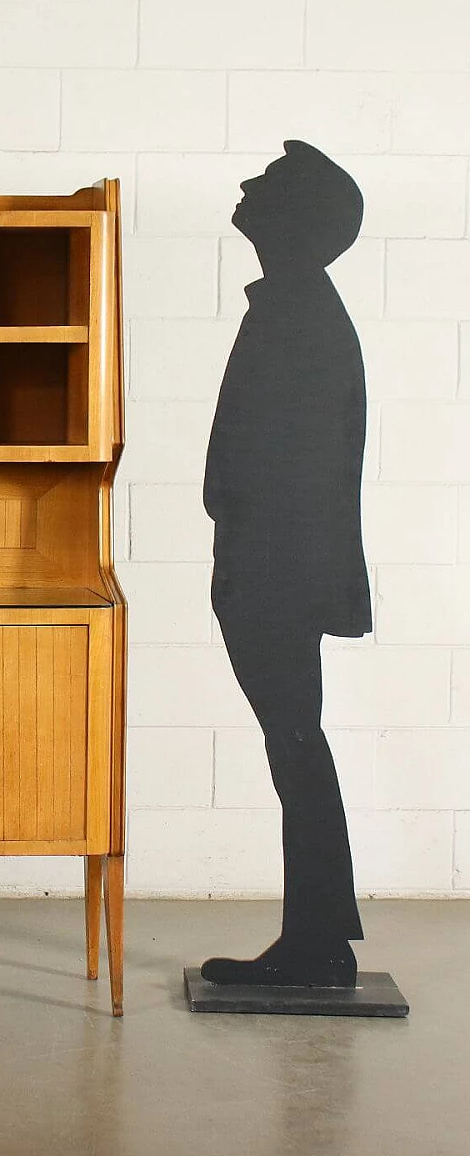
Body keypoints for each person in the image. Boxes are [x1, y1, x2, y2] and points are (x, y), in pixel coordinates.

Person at [201, 140, 370, 987]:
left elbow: (296, 470)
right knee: (296, 743)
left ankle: (318, 943)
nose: (245, 187)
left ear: (294, 221)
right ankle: (320, 936)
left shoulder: (300, 313)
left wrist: (252, 571)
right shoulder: (297, 306)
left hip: (276, 573)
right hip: (272, 569)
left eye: (266, 185)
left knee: (295, 744)